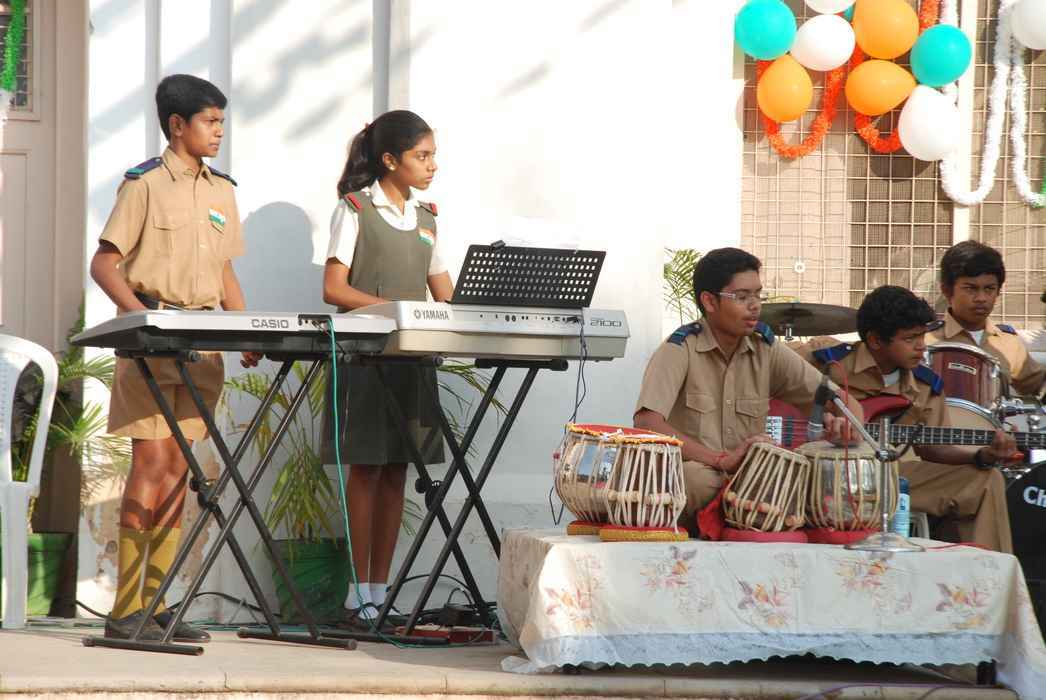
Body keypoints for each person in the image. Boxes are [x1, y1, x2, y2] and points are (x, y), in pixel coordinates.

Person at [89, 74, 260, 641]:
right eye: (210, 121)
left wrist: (245, 328)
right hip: (154, 342)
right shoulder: (143, 185)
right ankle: (125, 610)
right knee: (151, 465)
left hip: (203, 342)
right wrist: (142, 318)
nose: (218, 132)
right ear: (177, 125)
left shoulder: (222, 191)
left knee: (181, 468)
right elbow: (104, 264)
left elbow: (225, 271)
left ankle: (158, 605)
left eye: (221, 122)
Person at [320, 110, 452, 627]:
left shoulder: (427, 219)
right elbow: (334, 288)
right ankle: (357, 597)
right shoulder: (355, 209)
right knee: (367, 469)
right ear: (391, 160)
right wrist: (393, 311)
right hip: (365, 358)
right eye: (423, 156)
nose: (432, 165)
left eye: (433, 156)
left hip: (411, 360)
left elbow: (444, 293)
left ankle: (381, 592)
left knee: (398, 469)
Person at [633, 247, 862, 536]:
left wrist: (846, 428)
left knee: (813, 481)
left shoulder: (766, 348)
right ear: (709, 301)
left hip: (752, 481)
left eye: (758, 295)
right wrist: (720, 460)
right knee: (696, 479)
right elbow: (647, 423)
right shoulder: (678, 349)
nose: (755, 306)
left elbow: (845, 403)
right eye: (742, 297)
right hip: (696, 477)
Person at [796, 285, 1018, 552]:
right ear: (875, 340)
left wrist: (982, 455)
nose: (921, 346)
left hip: (889, 477)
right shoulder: (825, 362)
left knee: (986, 480)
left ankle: (986, 571)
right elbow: (777, 378)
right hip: (815, 474)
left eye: (922, 336)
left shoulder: (926, 386)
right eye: (910, 338)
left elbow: (932, 448)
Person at [927, 240, 1045, 396]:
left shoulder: (1008, 344)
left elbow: (1038, 385)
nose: (981, 298)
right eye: (970, 288)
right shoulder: (924, 342)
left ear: (998, 291)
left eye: (989, 289)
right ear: (947, 290)